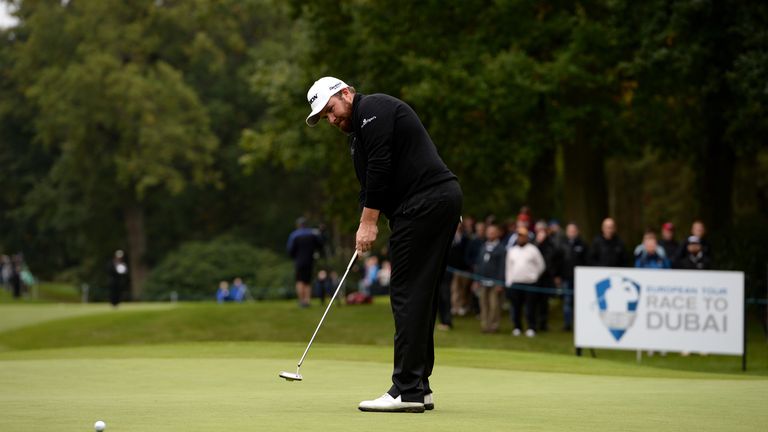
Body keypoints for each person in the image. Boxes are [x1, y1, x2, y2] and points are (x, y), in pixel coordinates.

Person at [306, 76, 462, 413]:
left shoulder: (372, 109)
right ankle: (419, 386)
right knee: (421, 294)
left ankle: (406, 390)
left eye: (331, 110)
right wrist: (363, 223)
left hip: (425, 204)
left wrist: (369, 222)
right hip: (431, 203)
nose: (331, 120)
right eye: (324, 118)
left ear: (346, 93)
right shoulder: (358, 138)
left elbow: (381, 167)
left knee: (407, 293)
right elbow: (368, 186)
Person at [505, 226, 546, 337]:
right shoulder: (512, 250)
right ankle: (517, 327)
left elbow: (541, 265)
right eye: (519, 236)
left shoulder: (533, 249)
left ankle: (531, 327)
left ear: (527, 237)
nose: (520, 238)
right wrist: (508, 282)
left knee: (530, 307)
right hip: (516, 283)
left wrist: (534, 276)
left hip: (530, 283)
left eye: (522, 236)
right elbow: (508, 267)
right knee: (516, 307)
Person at [473, 223, 506, 333]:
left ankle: (493, 326)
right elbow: (478, 264)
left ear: (497, 234)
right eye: (489, 232)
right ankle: (485, 325)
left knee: (494, 305)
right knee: (483, 304)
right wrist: (476, 279)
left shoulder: (501, 249)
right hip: (482, 281)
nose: (490, 234)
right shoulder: (483, 246)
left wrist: (500, 283)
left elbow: (502, 267)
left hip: (495, 282)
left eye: (493, 232)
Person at [533, 220, 564, 332]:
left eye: (543, 231)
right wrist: (538, 243)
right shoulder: (533, 244)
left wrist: (556, 275)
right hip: (534, 277)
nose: (540, 234)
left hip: (547, 276)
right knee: (534, 301)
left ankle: (543, 323)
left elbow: (557, 260)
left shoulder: (552, 245)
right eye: (538, 231)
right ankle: (534, 323)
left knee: (544, 302)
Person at [287, 217, 323, 307]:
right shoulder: (312, 234)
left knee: (300, 281)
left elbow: (290, 250)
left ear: (298, 225)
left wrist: (294, 256)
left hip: (299, 261)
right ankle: (307, 301)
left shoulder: (294, 235)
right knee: (307, 281)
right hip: (310, 261)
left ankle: (301, 301)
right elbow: (320, 245)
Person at [562, 223, 588, 331]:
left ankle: (580, 325)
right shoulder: (562, 244)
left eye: (574, 231)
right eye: (570, 231)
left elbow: (587, 261)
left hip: (580, 279)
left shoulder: (582, 244)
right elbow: (559, 261)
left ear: (577, 232)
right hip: (566, 277)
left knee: (580, 303)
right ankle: (567, 325)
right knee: (567, 302)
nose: (572, 233)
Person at [447, 223, 471, 316]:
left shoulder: (466, 238)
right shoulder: (450, 236)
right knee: (455, 289)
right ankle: (455, 306)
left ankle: (462, 306)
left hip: (464, 268)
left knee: (464, 289)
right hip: (453, 268)